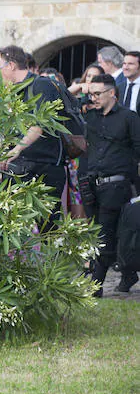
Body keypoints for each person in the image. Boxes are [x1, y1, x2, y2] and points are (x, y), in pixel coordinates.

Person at [0, 45, 66, 231]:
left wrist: (16, 149)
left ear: (11, 65)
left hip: (43, 167)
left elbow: (39, 125)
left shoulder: (41, 85)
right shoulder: (12, 92)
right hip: (19, 166)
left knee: (49, 229)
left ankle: (53, 259)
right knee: (11, 225)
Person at [82, 73, 140, 296]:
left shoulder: (129, 118)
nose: (93, 98)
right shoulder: (91, 117)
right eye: (91, 94)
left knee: (105, 233)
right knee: (107, 232)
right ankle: (127, 274)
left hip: (117, 185)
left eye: (97, 94)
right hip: (92, 184)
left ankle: (96, 284)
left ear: (112, 93)